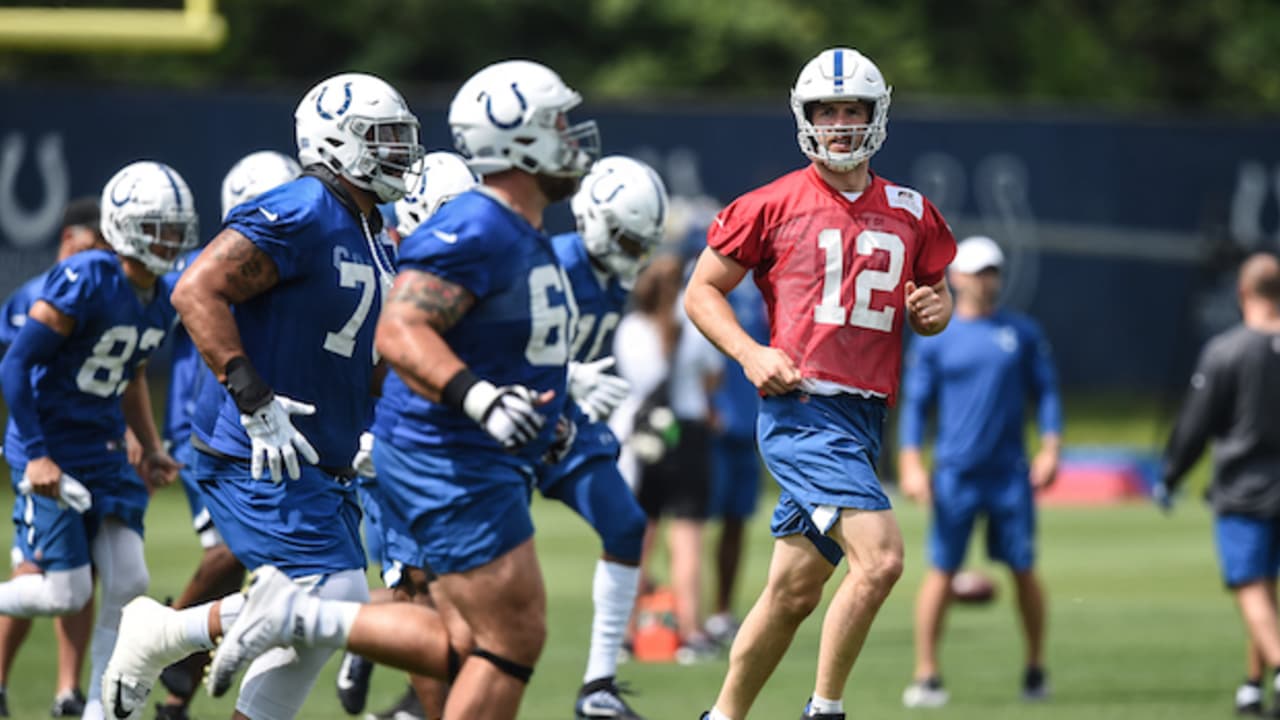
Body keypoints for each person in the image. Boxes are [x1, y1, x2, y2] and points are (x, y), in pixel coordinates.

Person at [199, 58, 599, 720]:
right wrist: (479, 399)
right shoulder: (335, 210)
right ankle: (256, 617)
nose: (400, 152)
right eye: (558, 124)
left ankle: (268, 619)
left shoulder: (433, 232)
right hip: (361, 453)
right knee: (475, 632)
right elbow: (401, 331)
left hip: (402, 458)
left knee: (482, 640)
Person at [99, 71, 423, 720]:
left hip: (322, 461)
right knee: (334, 601)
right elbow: (197, 288)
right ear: (336, 143)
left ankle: (177, 645)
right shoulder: (302, 208)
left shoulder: (370, 228)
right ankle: (161, 634)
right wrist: (252, 396)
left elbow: (362, 350)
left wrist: (377, 431)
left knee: (316, 636)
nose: (398, 151)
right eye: (381, 138)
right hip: (259, 450)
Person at [683, 46, 957, 720]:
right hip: (804, 411)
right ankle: (825, 710)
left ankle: (721, 717)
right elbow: (701, 292)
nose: (839, 123)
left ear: (875, 116)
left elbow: (937, 294)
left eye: (851, 110)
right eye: (827, 111)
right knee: (883, 560)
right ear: (806, 118)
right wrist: (750, 353)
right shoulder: (771, 203)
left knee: (791, 595)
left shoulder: (911, 209)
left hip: (864, 421)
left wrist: (934, 310)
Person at [0, 160, 191, 720]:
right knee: (66, 594)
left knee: (131, 580)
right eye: (160, 226)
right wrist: (36, 453)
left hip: (104, 448)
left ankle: (100, 710)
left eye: (177, 227)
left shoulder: (159, 295)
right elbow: (16, 364)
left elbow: (129, 374)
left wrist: (151, 445)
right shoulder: (86, 277)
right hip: (54, 445)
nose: (171, 239)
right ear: (127, 226)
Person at [152, 149, 302, 720]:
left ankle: (174, 689)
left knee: (255, 567)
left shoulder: (288, 273)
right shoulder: (210, 268)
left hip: (258, 429)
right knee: (231, 554)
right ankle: (168, 639)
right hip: (214, 431)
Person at [337, 150, 479, 720]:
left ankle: (365, 639)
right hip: (390, 449)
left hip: (444, 452)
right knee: (425, 596)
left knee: (454, 603)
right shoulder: (382, 266)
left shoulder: (459, 266)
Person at [896, 234, 1062, 707]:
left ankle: (1034, 667)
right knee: (941, 570)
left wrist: (1050, 448)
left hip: (1010, 474)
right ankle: (927, 673)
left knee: (1024, 569)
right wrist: (910, 462)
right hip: (955, 473)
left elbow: (1046, 394)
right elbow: (916, 405)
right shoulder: (934, 337)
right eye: (978, 272)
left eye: (993, 272)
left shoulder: (1022, 333)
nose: (987, 281)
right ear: (956, 276)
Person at [538, 154, 664, 718]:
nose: (633, 255)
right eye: (626, 240)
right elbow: (497, 344)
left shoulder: (613, 281)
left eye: (642, 245)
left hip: (563, 425)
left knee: (627, 523)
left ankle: (598, 686)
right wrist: (564, 375)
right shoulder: (550, 262)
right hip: (504, 422)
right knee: (474, 575)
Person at [1159, 252, 1280, 717]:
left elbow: (1195, 426)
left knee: (1249, 586)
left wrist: (1171, 475)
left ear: (1242, 293)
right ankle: (1254, 686)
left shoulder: (1227, 350)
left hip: (1244, 489)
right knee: (1267, 590)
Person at [0, 197, 108, 718]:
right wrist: (34, 453)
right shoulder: (37, 295)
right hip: (44, 453)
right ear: (70, 240)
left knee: (83, 572)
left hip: (91, 450)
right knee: (33, 566)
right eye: (96, 244)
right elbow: (19, 368)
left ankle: (68, 689)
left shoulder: (107, 291)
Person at [704, 278, 769, 647]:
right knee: (686, 525)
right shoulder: (707, 276)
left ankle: (721, 613)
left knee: (736, 523)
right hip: (706, 425)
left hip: (750, 422)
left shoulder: (765, 282)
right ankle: (666, 614)